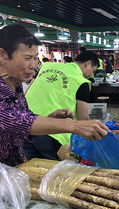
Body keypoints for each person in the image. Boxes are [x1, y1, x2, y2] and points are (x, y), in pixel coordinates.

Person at [0, 24, 108, 167]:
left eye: (35, 58)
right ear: (3, 56)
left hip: (13, 171)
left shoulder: (17, 84)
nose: (34, 65)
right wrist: (73, 125)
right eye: (28, 58)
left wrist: (49, 119)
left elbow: (23, 123)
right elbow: (11, 120)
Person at [24, 51, 100, 160]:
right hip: (52, 133)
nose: (90, 75)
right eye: (92, 71)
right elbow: (84, 119)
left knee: (30, 169)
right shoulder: (81, 82)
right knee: (52, 172)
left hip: (26, 125)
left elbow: (28, 91)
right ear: (87, 64)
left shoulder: (47, 66)